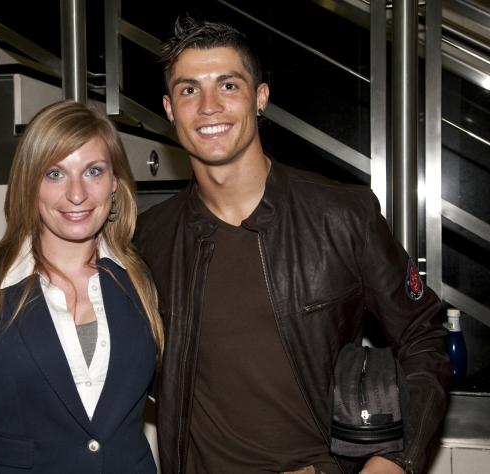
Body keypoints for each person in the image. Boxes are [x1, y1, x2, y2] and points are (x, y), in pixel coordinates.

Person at [134, 17, 450, 474]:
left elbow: (424, 335)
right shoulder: (149, 237)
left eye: (228, 85)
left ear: (260, 97)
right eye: (188, 90)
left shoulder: (342, 215)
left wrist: (392, 461)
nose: (208, 106)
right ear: (169, 108)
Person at [0, 100, 163, 473]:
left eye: (94, 171)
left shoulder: (139, 278)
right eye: (54, 173)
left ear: (115, 182)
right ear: (29, 183)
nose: (77, 194)